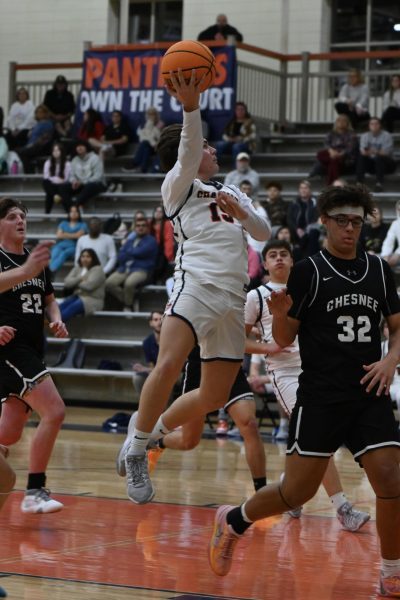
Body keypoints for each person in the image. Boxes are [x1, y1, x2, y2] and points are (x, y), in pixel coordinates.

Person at [207, 184, 400, 599]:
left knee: (391, 477)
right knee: (297, 492)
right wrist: (278, 317)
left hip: (369, 392)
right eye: (342, 220)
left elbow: (398, 327)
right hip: (320, 396)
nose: (351, 228)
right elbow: (282, 336)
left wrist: (390, 360)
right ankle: (235, 520)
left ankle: (391, 572)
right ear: (325, 222)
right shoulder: (307, 271)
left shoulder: (381, 270)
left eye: (357, 221)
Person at [117, 70, 270, 505]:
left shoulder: (232, 190)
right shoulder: (177, 184)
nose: (213, 148)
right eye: (206, 144)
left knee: (215, 394)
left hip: (232, 295)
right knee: (167, 365)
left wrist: (239, 211)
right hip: (196, 285)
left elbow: (262, 231)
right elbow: (186, 152)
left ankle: (146, 436)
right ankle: (136, 451)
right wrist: (190, 108)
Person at [244, 238, 370, 528]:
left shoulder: (308, 288)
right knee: (320, 434)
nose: (278, 259)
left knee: (312, 439)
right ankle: (342, 507)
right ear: (264, 264)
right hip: (286, 374)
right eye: (272, 255)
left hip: (320, 369)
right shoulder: (256, 296)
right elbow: (239, 339)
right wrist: (269, 349)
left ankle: (289, 491)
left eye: (283, 254)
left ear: (292, 260)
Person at [0, 197, 69, 514]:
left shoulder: (35, 262)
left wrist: (55, 317)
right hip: (9, 350)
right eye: (12, 216)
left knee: (10, 434)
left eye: (23, 216)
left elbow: (49, 299)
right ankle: (35, 490)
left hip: (32, 349)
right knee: (54, 410)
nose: (20, 221)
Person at [127, 344, 267, 495]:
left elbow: (241, 333)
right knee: (189, 441)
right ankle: (156, 442)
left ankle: (262, 495)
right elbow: (241, 340)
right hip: (199, 366)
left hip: (230, 367)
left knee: (250, 425)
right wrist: (269, 348)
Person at [105, 217, 158, 310]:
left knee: (129, 283)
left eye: (143, 226)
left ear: (147, 228)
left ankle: (127, 305)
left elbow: (139, 252)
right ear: (134, 228)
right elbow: (120, 256)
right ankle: (130, 300)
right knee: (109, 283)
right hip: (124, 268)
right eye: (138, 226)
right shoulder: (131, 240)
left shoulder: (151, 241)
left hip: (141, 269)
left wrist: (128, 250)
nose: (140, 228)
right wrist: (130, 251)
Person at [58, 140, 107, 211]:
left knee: (90, 186)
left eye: (81, 146)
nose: (79, 148)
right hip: (80, 184)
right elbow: (72, 175)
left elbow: (98, 177)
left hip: (97, 184)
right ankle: (71, 209)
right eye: (77, 146)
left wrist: (82, 182)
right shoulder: (75, 160)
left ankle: (75, 208)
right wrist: (74, 181)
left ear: (86, 147)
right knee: (62, 187)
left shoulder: (95, 158)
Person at [309, 115, 358, 184]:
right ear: (336, 123)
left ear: (347, 123)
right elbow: (326, 144)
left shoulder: (351, 134)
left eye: (344, 121)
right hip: (332, 154)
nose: (341, 122)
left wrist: (340, 154)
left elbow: (350, 148)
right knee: (321, 154)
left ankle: (330, 182)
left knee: (333, 161)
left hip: (345, 158)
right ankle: (333, 183)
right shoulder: (331, 133)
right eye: (339, 120)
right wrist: (331, 151)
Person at [60, 248, 105, 322]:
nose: (85, 259)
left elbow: (89, 286)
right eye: (83, 256)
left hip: (92, 300)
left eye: (88, 257)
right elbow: (67, 283)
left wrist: (74, 283)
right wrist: (80, 279)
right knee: (59, 308)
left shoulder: (98, 269)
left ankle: (54, 327)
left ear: (93, 258)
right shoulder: (78, 268)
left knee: (69, 309)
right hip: (78, 296)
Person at [356, 117, 396, 191]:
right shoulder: (364, 136)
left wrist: (373, 151)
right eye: (372, 124)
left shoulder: (387, 135)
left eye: (376, 124)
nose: (374, 125)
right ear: (369, 126)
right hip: (372, 165)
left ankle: (379, 184)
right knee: (361, 157)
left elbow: (386, 153)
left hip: (387, 165)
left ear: (380, 125)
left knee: (379, 157)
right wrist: (377, 151)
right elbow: (363, 152)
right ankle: (359, 183)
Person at [122, 107, 164, 173]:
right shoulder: (144, 124)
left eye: (153, 114)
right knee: (145, 145)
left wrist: (150, 125)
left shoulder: (160, 124)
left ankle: (135, 162)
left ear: (156, 115)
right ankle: (143, 168)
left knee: (146, 143)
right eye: (149, 114)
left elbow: (157, 136)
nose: (151, 116)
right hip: (150, 146)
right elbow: (142, 138)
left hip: (157, 147)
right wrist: (152, 142)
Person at [131, 311, 163, 395]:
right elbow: (152, 366)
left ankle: (167, 407)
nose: (159, 322)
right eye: (156, 320)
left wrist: (145, 369)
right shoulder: (147, 342)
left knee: (165, 378)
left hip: (174, 373)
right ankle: (144, 406)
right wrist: (145, 369)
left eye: (161, 319)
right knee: (138, 378)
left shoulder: (172, 339)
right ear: (151, 323)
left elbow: (172, 367)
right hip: (157, 372)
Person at [49, 205, 88, 274]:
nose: (73, 213)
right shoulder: (63, 223)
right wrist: (73, 234)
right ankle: (48, 272)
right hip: (60, 245)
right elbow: (59, 235)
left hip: (73, 246)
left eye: (76, 211)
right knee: (54, 254)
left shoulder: (82, 224)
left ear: (79, 214)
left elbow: (78, 236)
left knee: (64, 254)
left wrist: (65, 234)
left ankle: (50, 272)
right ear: (69, 213)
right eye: (71, 211)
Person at [16, 105, 54, 173]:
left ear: (45, 113)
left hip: (38, 146)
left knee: (22, 153)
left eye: (41, 112)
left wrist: (32, 145)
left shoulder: (48, 124)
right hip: (30, 145)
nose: (39, 114)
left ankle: (28, 173)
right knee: (16, 151)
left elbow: (45, 138)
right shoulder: (37, 124)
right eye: (37, 112)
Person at [287, 180, 320, 259]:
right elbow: (289, 219)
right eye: (301, 188)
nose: (303, 190)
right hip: (296, 232)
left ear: (310, 190)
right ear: (299, 190)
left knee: (313, 232)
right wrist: (297, 229)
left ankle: (310, 259)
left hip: (309, 231)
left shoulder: (315, 203)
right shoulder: (293, 203)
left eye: (306, 188)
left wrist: (305, 231)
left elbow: (316, 218)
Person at [42, 142, 71, 213]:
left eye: (58, 150)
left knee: (51, 193)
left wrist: (54, 179)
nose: (55, 152)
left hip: (62, 185)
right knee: (45, 182)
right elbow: (46, 177)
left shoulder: (67, 164)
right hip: (51, 185)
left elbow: (66, 179)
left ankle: (47, 213)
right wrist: (57, 179)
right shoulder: (48, 162)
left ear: (62, 151)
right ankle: (55, 196)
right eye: (54, 151)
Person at [149, 205, 175, 282]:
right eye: (156, 211)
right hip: (150, 250)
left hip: (161, 252)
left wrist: (169, 256)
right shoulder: (150, 223)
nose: (158, 213)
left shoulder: (167, 223)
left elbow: (168, 241)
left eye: (160, 211)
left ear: (163, 214)